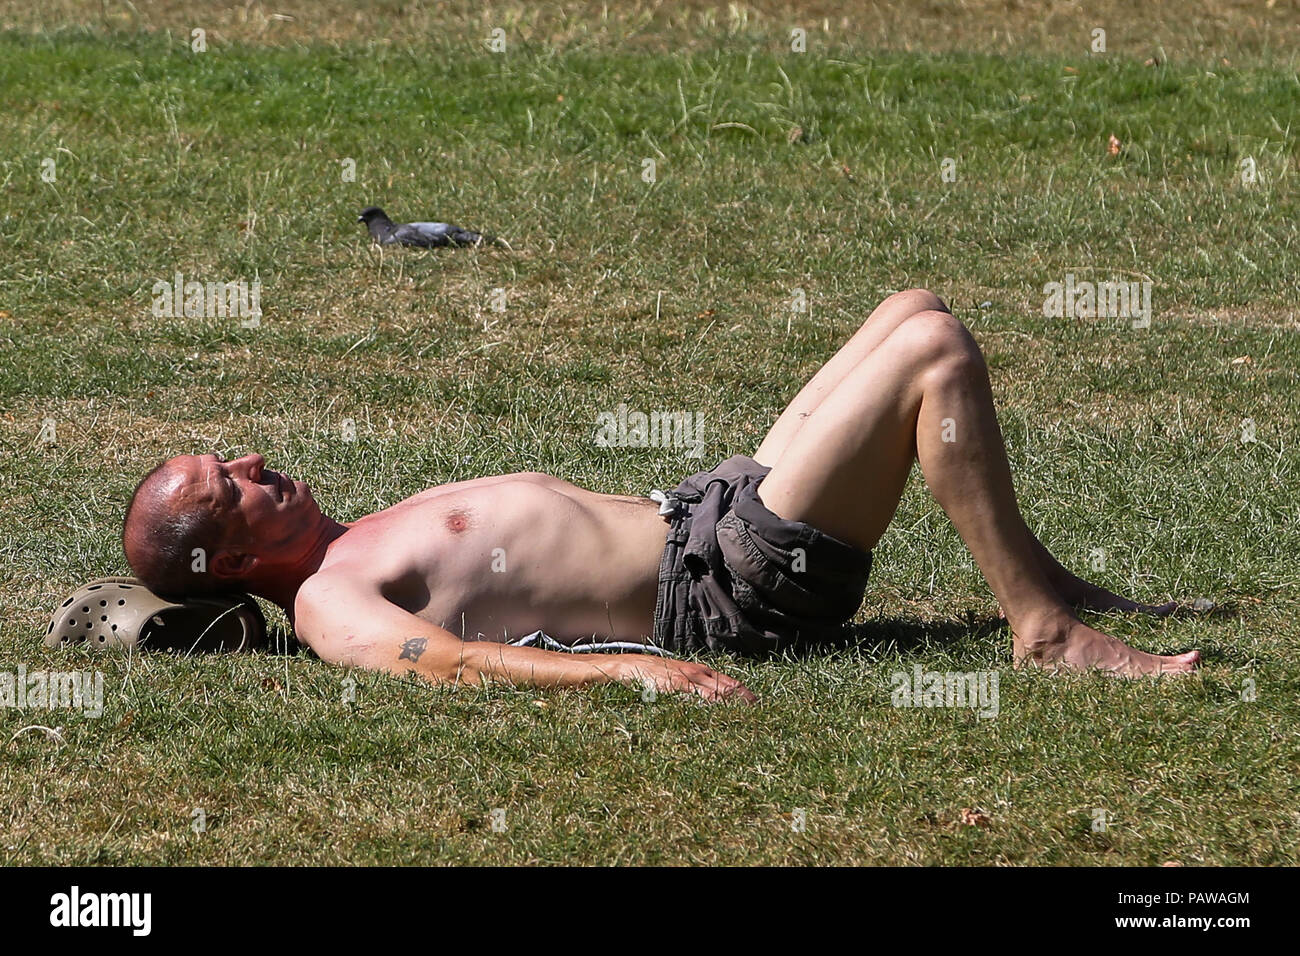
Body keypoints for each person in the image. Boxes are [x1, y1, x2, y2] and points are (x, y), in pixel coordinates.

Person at [121, 289, 1199, 703]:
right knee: (935, 355)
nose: (257, 463)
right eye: (235, 487)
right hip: (729, 583)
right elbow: (449, 664)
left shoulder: (351, 537)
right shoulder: (325, 600)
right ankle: (1044, 628)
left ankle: (1046, 580)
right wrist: (639, 671)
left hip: (709, 511)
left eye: (240, 458)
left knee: (909, 305)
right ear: (230, 561)